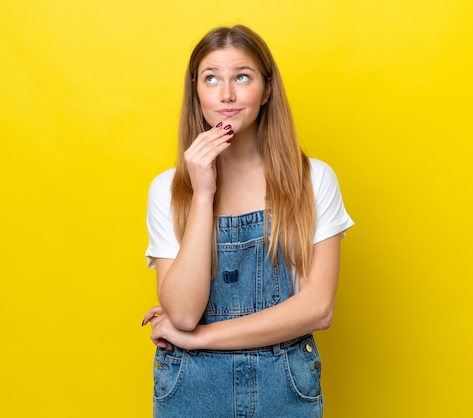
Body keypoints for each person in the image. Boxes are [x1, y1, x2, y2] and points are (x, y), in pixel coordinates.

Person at [141, 24, 353, 417]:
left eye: (242, 76)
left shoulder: (312, 180)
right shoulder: (168, 190)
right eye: (211, 79)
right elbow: (184, 312)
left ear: (267, 89)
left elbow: (318, 309)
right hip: (191, 388)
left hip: (285, 387)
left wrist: (198, 338)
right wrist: (203, 194)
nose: (226, 94)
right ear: (196, 92)